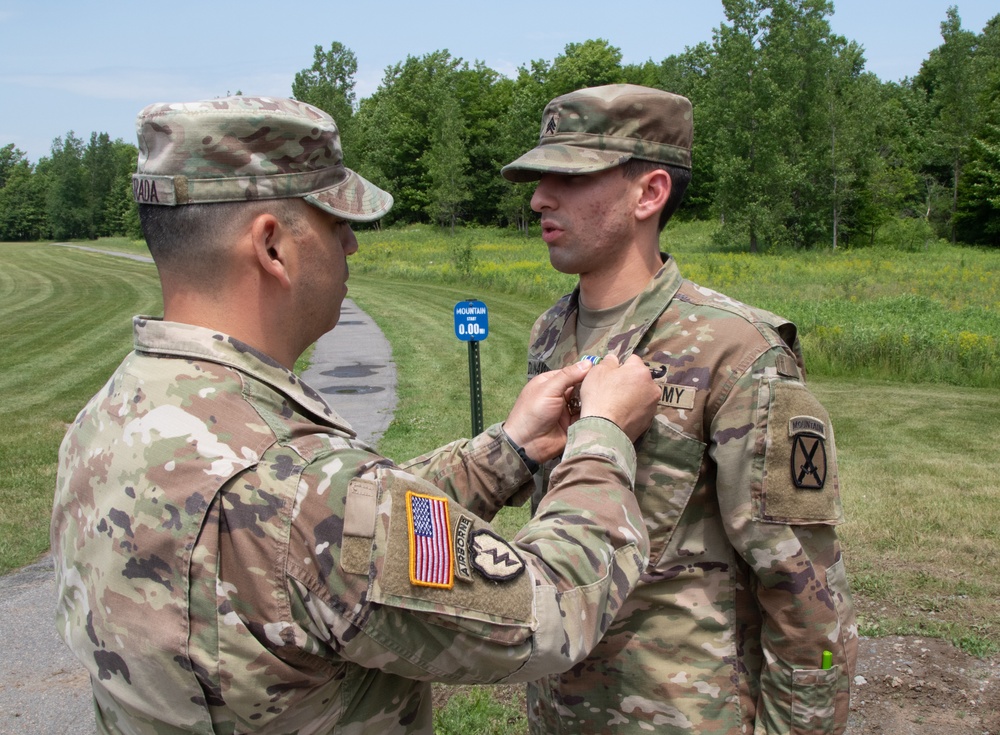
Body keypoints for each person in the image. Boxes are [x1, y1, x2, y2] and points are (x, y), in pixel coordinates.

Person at [51, 95, 665, 735]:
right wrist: (603, 437)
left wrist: (507, 450)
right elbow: (550, 611)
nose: (351, 245)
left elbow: (343, 545)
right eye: (333, 221)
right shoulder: (294, 486)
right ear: (271, 246)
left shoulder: (108, 419)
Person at [501, 84, 858, 734]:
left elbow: (807, 595)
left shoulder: (738, 350)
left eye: (567, 176)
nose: (539, 198)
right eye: (537, 177)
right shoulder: (552, 334)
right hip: (560, 709)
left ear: (650, 193)